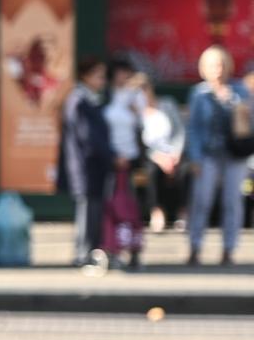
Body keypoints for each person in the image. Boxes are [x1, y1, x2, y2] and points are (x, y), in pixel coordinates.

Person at [185, 44, 250, 266]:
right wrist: (194, 157)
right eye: (213, 65)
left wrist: (236, 103)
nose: (218, 70)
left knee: (232, 201)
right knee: (201, 200)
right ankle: (195, 247)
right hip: (207, 154)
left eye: (221, 65)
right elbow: (193, 128)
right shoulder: (199, 93)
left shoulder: (240, 90)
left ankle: (228, 250)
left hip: (234, 155)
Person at [59, 56, 114, 272]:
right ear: (85, 76)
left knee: (94, 209)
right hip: (85, 166)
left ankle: (90, 250)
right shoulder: (79, 101)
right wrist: (109, 153)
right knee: (87, 210)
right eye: (98, 76)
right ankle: (82, 253)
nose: (102, 80)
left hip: (93, 166)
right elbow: (88, 137)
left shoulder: (91, 99)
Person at [103, 58, 145, 269]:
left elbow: (147, 122)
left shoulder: (135, 96)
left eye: (127, 73)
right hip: (110, 160)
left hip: (131, 160)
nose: (124, 77)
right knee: (112, 207)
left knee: (131, 207)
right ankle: (112, 250)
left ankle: (134, 251)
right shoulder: (104, 96)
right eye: (120, 72)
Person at [139, 75, 186, 233]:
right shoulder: (137, 113)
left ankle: (183, 212)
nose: (144, 94)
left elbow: (180, 130)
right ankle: (157, 212)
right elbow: (142, 144)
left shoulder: (167, 103)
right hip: (153, 157)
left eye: (145, 89)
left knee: (185, 170)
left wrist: (176, 153)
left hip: (174, 153)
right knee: (153, 171)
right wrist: (159, 158)